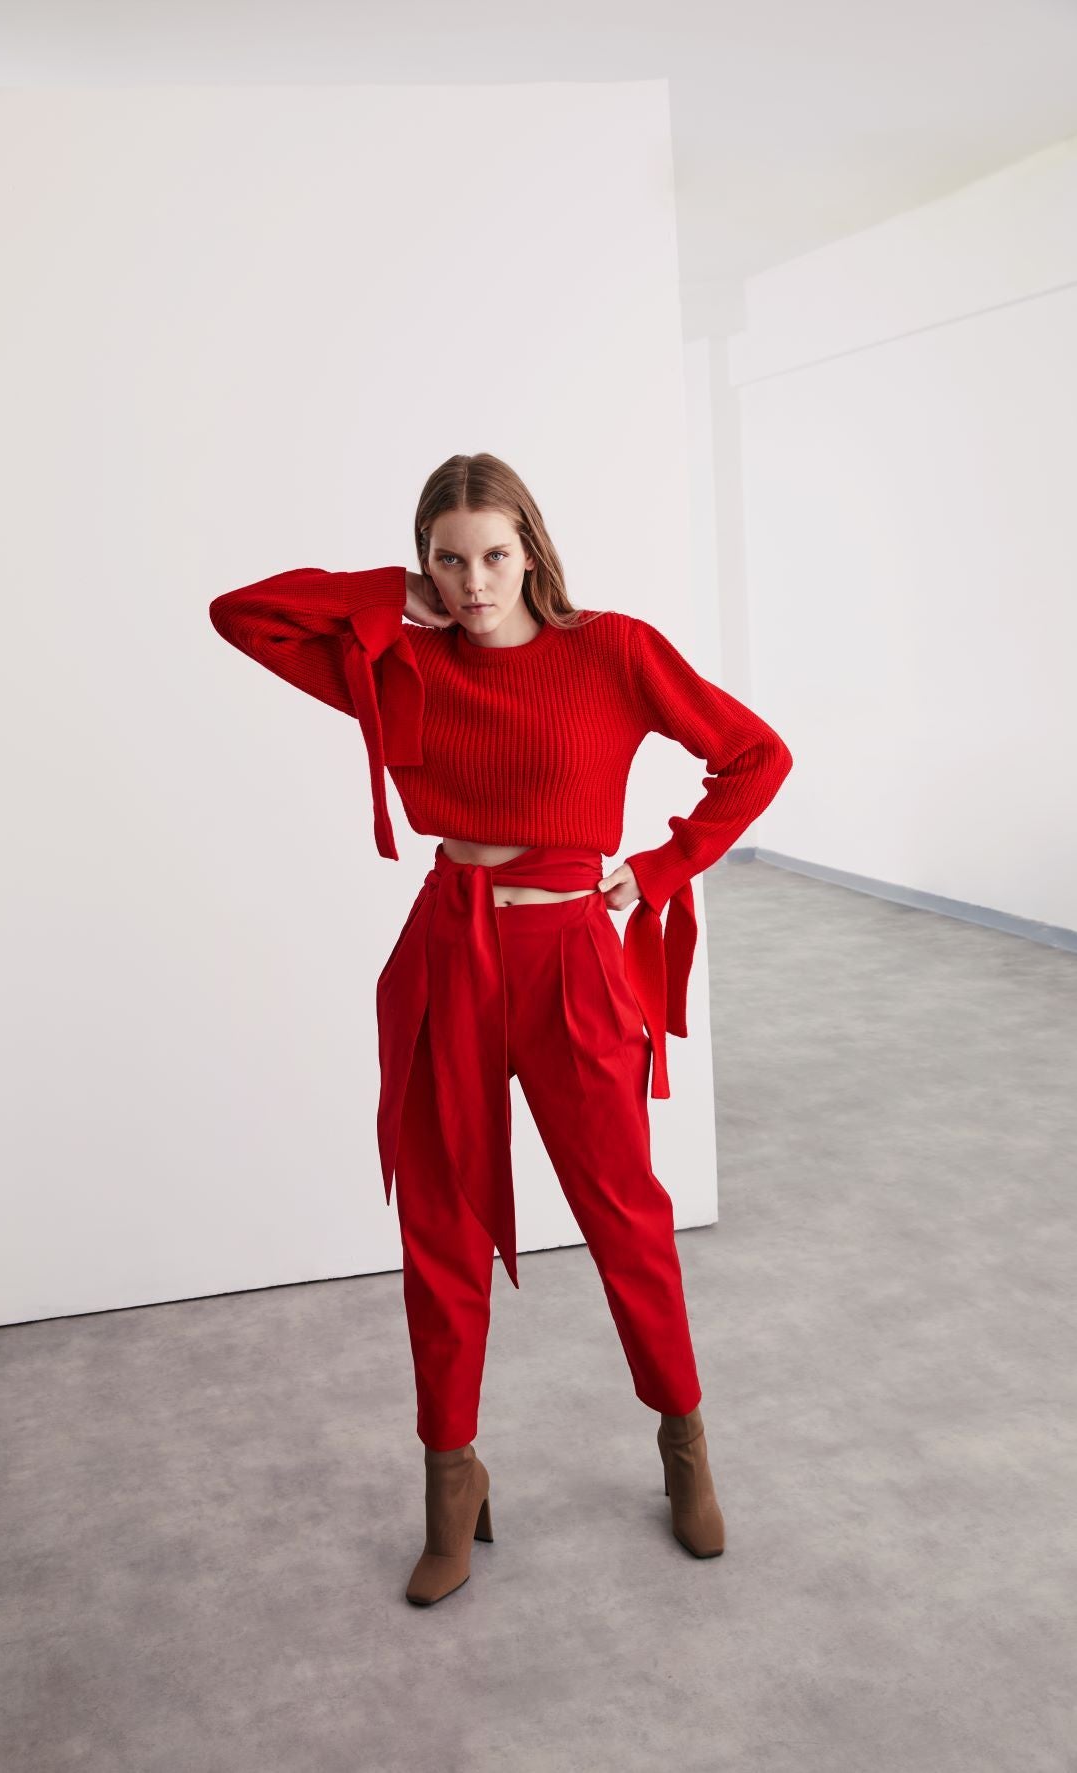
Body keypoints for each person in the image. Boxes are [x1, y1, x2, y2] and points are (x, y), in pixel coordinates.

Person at [208, 451, 793, 1606]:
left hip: (571, 960)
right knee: (439, 1230)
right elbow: (244, 616)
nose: (473, 582)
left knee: (626, 1216)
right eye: (447, 559)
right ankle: (450, 1483)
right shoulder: (400, 661)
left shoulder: (612, 652)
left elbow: (754, 755)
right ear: (424, 563)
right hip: (446, 960)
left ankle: (683, 1444)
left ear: (531, 551)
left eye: (492, 555)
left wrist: (664, 866)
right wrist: (387, 599)